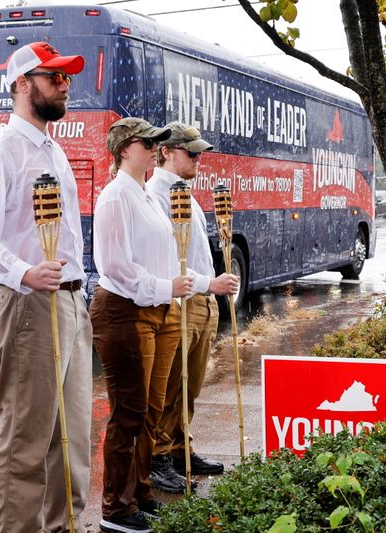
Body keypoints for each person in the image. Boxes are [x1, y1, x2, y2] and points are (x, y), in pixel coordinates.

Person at [0, 41, 92, 533]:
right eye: (53, 77)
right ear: (21, 84)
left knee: (72, 438)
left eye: (66, 76)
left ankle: (67, 527)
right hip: (29, 303)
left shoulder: (54, 149)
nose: (65, 84)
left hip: (70, 300)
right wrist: (23, 272)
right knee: (25, 440)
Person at [91, 117, 210, 533]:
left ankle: (138, 493)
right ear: (125, 149)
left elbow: (161, 258)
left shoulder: (142, 195)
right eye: (148, 143)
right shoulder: (115, 198)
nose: (155, 149)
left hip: (159, 309)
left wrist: (182, 287)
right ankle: (115, 508)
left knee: (150, 411)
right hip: (124, 311)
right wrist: (167, 286)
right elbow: (116, 268)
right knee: (129, 411)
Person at [146, 122, 240, 492]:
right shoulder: (155, 194)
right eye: (191, 152)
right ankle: (158, 455)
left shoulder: (187, 192)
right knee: (170, 383)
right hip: (179, 301)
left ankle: (180, 446)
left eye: (200, 152)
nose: (199, 159)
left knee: (191, 384)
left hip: (203, 300)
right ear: (166, 152)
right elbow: (165, 257)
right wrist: (205, 285)